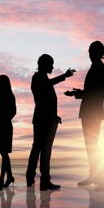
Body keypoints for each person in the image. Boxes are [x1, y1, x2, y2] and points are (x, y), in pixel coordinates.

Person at [65, 41, 104, 191]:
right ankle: (94, 175)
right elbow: (92, 91)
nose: (90, 55)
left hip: (94, 111)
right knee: (90, 146)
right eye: (89, 52)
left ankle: (103, 178)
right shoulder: (93, 68)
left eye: (92, 52)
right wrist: (78, 93)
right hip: (87, 111)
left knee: (93, 145)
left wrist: (80, 93)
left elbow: (102, 92)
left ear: (99, 53)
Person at [26, 54, 75, 191]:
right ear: (44, 64)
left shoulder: (42, 78)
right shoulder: (38, 78)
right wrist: (63, 76)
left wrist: (55, 117)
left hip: (48, 120)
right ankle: (32, 177)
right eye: (51, 64)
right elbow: (45, 90)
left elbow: (47, 102)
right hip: (43, 121)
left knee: (44, 150)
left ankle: (43, 181)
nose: (52, 67)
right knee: (39, 149)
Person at [0, 75, 16, 191]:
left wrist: (5, 119)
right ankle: (10, 176)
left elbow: (14, 111)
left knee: (4, 153)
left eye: (0, 82)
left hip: (5, 125)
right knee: (3, 153)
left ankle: (2, 178)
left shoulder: (10, 95)